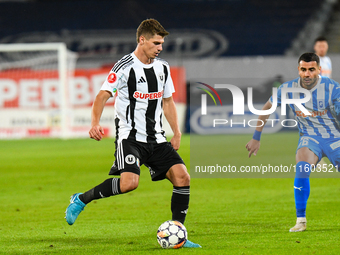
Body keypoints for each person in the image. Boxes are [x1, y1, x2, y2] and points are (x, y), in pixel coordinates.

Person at [65, 19, 201, 248]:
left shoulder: (163, 67)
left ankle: (179, 233)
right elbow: (102, 96)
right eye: (156, 43)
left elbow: (167, 101)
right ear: (142, 40)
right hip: (130, 138)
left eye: (162, 43)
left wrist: (176, 131)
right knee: (129, 183)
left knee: (183, 177)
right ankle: (81, 199)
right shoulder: (124, 66)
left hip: (157, 138)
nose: (160, 47)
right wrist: (95, 123)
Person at [245, 53, 340, 232]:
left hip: (335, 137)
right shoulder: (287, 89)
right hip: (310, 138)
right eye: (303, 69)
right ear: (298, 70)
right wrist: (256, 137)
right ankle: (301, 221)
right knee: (302, 167)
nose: (307, 74)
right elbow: (267, 108)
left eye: (311, 69)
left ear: (319, 70)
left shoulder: (333, 88)